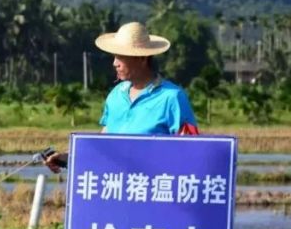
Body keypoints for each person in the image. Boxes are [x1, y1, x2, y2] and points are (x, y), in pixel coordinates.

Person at [45, 22, 199, 173]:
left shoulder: (172, 97)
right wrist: (67, 158)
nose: (114, 63)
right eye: (114, 56)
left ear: (142, 58)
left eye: (120, 57)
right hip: (117, 190)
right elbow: (103, 144)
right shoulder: (116, 95)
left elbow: (190, 152)